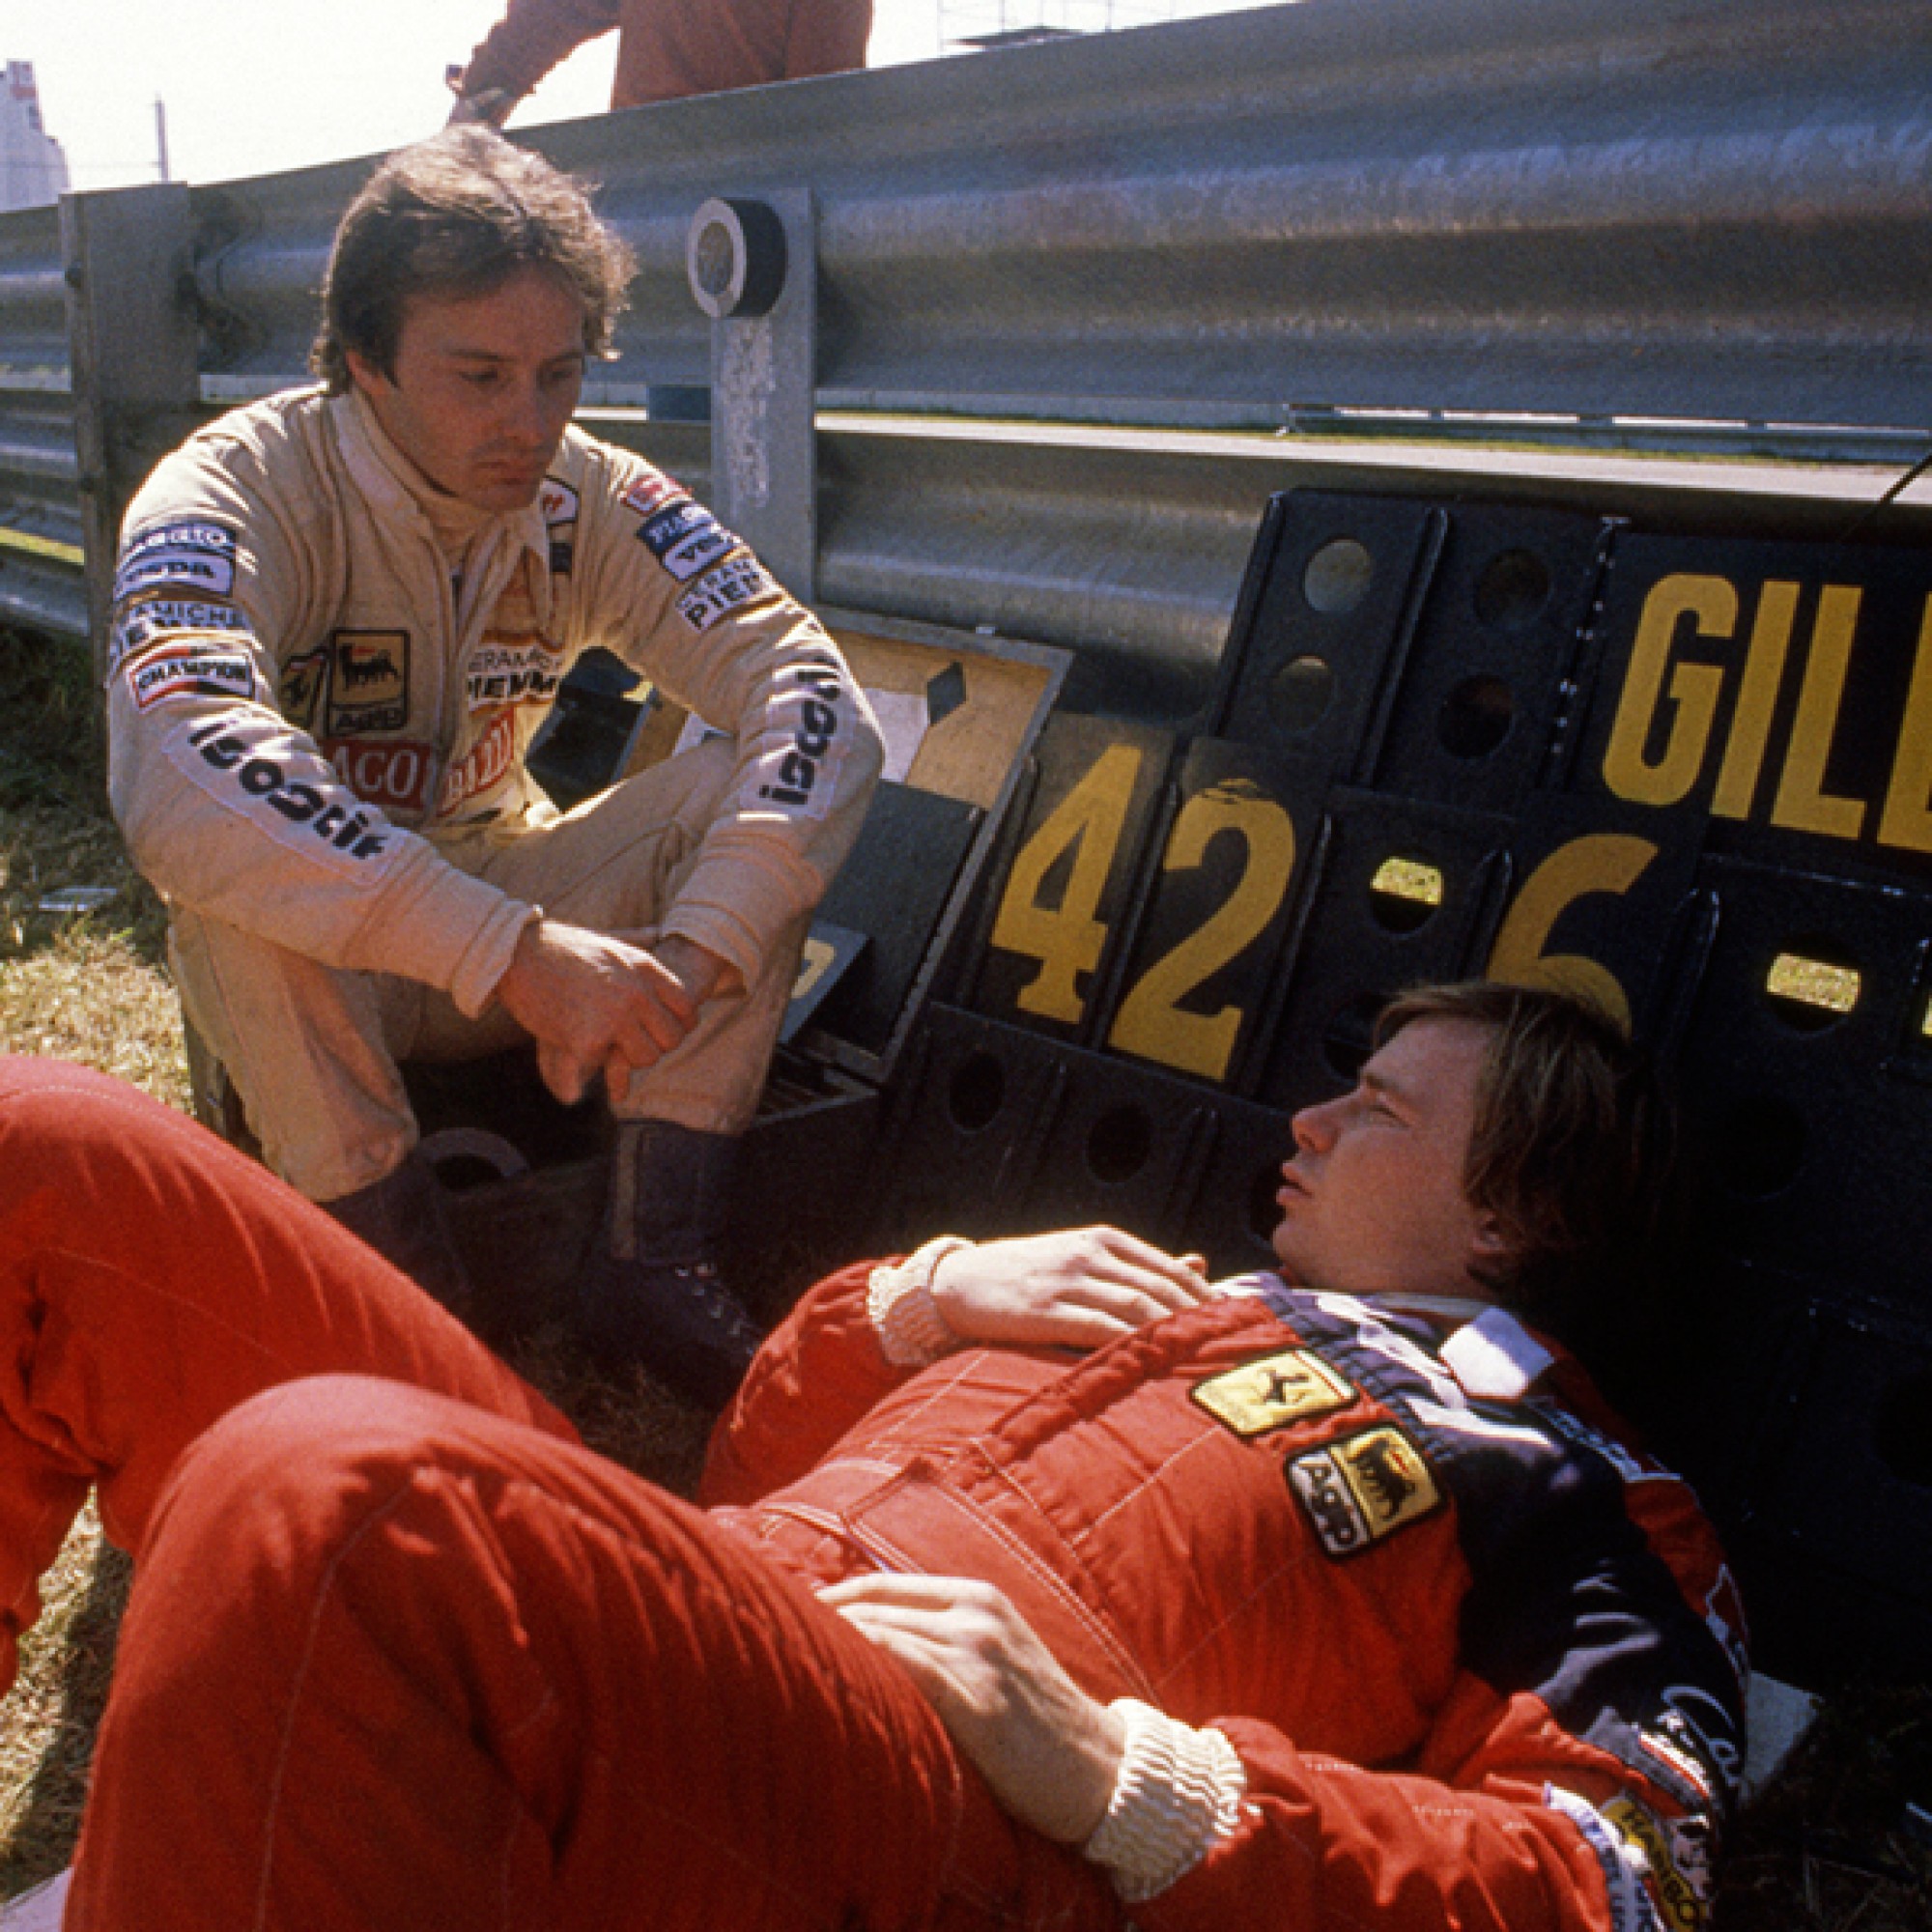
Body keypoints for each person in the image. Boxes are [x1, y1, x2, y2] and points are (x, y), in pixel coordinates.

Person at [0, 979, 1741, 1929]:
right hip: (704, 1622)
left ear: (1511, 1214)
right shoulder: (1161, 1289)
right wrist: (911, 1301)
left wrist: (1148, 1787)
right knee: (43, 1144)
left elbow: (1615, 1882)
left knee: (337, 1498)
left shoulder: (1570, 1478)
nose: (1308, 1119)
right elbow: (750, 1476)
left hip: (922, 1814)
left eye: (1381, 1110)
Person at [104, 127, 882, 1401]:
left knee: (743, 794)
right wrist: (516, 954)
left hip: (523, 922)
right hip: (355, 968)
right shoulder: (233, 490)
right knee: (234, 880)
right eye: (478, 375)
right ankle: (409, 1313)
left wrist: (694, 957)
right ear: (364, 361)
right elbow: (178, 758)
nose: (528, 424)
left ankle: (652, 1261)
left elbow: (812, 695)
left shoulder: (590, 495)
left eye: (560, 375)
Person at [445, 0, 873, 124]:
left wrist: (470, 117)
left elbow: (546, 18)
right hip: (755, 228)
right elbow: (825, 116)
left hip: (653, 204)